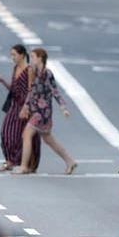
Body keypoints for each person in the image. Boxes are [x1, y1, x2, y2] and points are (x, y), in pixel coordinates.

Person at [16, 48, 77, 176]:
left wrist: (63, 108)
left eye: (32, 57)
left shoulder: (47, 74)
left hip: (43, 113)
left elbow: (55, 92)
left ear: (40, 58)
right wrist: (26, 106)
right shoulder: (33, 72)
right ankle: (70, 161)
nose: (31, 59)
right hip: (36, 111)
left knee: (26, 134)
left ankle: (23, 166)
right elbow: (32, 92)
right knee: (49, 139)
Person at [0, 44, 37, 172]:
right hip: (15, 105)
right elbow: (13, 90)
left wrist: (27, 107)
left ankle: (19, 162)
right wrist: (2, 81)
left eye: (14, 54)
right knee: (5, 132)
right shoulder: (15, 68)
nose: (12, 57)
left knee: (20, 136)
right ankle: (9, 160)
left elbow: (31, 90)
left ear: (22, 55)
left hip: (25, 107)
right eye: (11, 55)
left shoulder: (29, 69)